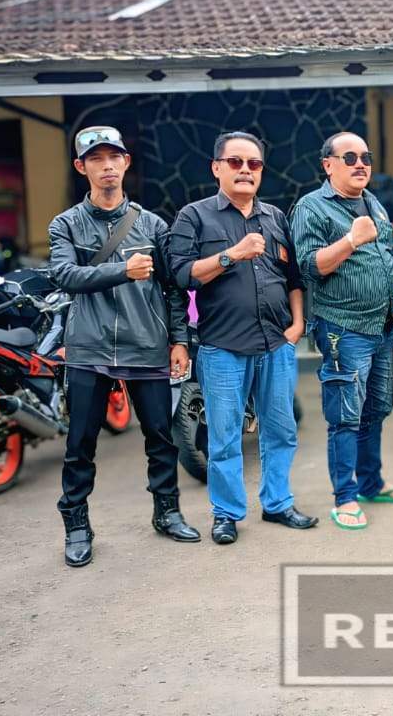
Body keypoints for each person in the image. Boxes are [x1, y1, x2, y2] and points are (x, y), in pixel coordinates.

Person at [49, 126, 197, 567]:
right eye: (96, 159)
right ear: (81, 167)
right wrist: (122, 270)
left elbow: (173, 289)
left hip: (146, 343)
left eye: (114, 157)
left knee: (161, 438)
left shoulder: (153, 225)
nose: (107, 166)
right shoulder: (65, 224)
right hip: (88, 348)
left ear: (126, 162)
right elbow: (64, 275)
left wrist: (179, 339)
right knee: (80, 444)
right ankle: (77, 526)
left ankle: (167, 512)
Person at [167, 131, 317, 545]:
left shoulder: (275, 217)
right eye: (235, 162)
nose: (246, 170)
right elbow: (180, 275)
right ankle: (227, 514)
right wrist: (231, 254)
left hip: (276, 344)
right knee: (225, 437)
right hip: (223, 347)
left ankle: (278, 503)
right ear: (217, 168)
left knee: (281, 430)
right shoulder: (194, 217)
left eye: (254, 164)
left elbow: (293, 278)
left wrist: (297, 325)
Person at [290, 131, 393, 530]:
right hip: (344, 328)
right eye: (349, 157)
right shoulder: (311, 207)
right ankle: (344, 497)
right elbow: (309, 266)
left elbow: (385, 259)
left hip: (382, 326)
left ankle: (371, 483)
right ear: (328, 165)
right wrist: (350, 239)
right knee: (345, 416)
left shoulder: (372, 202)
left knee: (375, 408)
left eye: (366, 157)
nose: (360, 164)